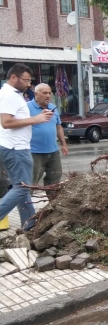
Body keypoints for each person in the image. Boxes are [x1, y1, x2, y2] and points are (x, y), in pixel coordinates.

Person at [0, 63, 54, 231]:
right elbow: (6, 122)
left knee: (22, 188)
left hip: (14, 147)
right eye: (26, 80)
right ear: (13, 77)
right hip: (16, 149)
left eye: (30, 81)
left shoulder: (13, 94)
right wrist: (36, 119)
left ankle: (30, 227)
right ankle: (29, 226)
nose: (29, 84)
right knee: (23, 189)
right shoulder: (9, 95)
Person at [29, 84, 68, 195]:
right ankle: (26, 210)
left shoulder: (52, 107)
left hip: (53, 151)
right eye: (44, 93)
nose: (48, 95)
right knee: (31, 183)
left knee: (54, 181)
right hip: (34, 152)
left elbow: (58, 126)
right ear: (36, 94)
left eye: (49, 93)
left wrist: (63, 144)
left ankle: (53, 207)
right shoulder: (26, 108)